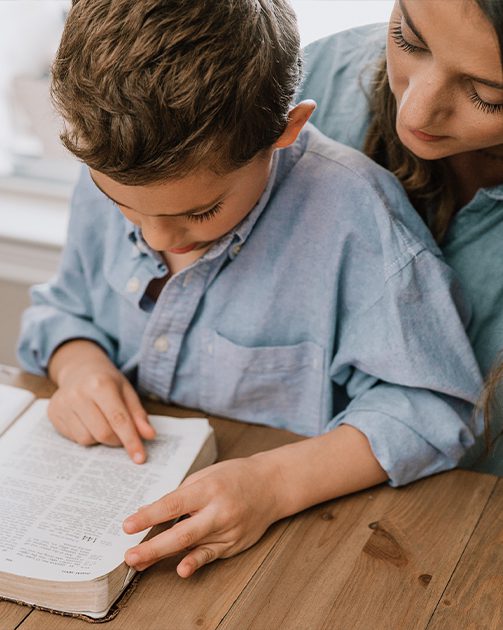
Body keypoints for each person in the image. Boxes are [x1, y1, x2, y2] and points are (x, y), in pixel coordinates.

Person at [17, 0, 482, 578]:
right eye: (122, 205)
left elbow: (433, 408)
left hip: (286, 556)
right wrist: (78, 363)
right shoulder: (116, 161)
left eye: (202, 210)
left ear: (286, 129)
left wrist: (275, 482)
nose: (158, 235)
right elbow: (62, 309)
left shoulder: (356, 219)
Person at [298, 1, 503, 472]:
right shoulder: (316, 78)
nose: (416, 114)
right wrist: (87, 346)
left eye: (489, 94)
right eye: (408, 39)